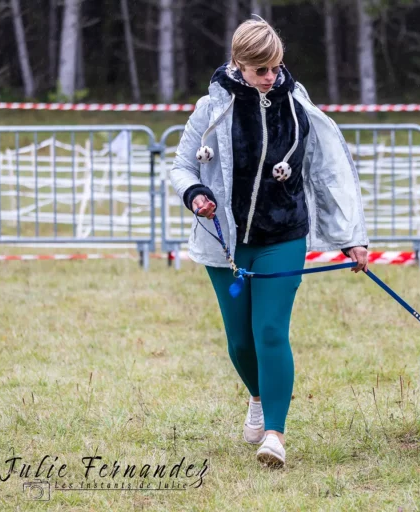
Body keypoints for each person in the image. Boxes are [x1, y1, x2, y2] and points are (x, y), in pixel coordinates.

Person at [169, 17, 369, 468]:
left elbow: (328, 172)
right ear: (239, 64)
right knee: (240, 342)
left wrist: (351, 237)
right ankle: (257, 397)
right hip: (224, 243)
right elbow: (181, 166)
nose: (272, 78)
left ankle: (275, 435)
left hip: (283, 237)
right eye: (262, 71)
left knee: (271, 332)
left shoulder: (297, 105)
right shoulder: (210, 109)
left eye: (277, 68)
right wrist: (196, 193)